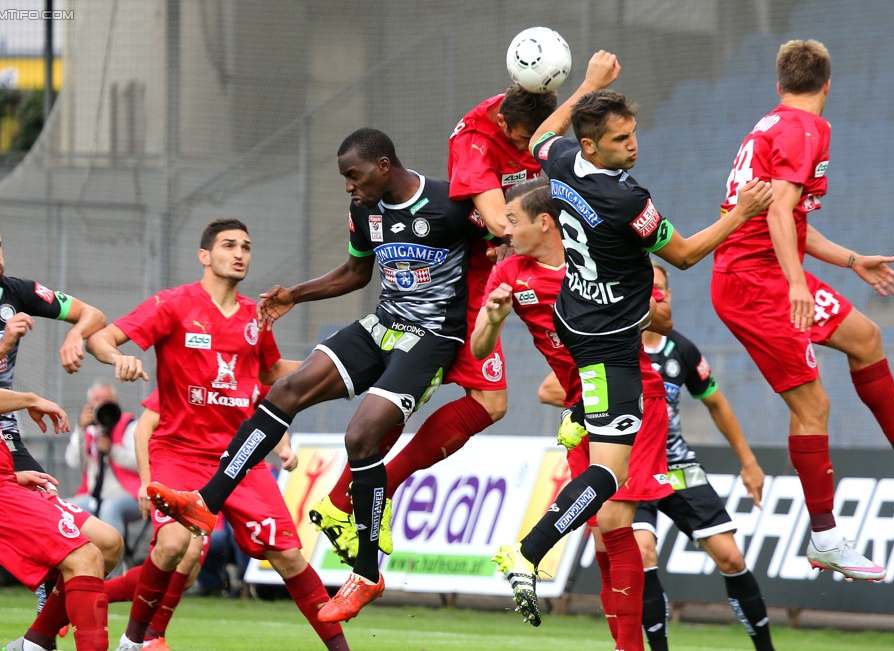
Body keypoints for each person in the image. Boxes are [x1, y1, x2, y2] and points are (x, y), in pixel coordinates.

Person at [147, 128, 491, 623]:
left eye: (354, 176)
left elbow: (502, 235)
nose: (349, 186)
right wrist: (297, 294)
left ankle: (366, 574)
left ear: (383, 166)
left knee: (362, 435)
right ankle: (207, 501)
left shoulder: (449, 202)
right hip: (383, 323)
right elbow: (356, 273)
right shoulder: (364, 212)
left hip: (434, 337)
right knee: (285, 390)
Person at [490, 49, 774, 626]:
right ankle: (528, 551)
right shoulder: (626, 200)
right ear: (593, 146)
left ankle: (582, 413)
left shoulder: (564, 162)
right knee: (609, 475)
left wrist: (588, 86)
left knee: (603, 446)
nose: (633, 145)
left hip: (576, 316)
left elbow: (543, 135)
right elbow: (689, 255)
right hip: (610, 341)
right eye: (620, 139)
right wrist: (742, 212)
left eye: (633, 133)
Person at [308, 57, 619, 565]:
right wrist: (585, 89)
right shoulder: (474, 134)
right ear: (502, 121)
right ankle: (359, 494)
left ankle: (351, 498)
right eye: (520, 139)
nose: (525, 149)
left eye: (532, 140)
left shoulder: (534, 132)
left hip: (521, 266)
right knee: (488, 402)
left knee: (472, 398)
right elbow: (497, 220)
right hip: (478, 285)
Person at [86, 218, 346, 651]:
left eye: (246, 246)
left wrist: (338, 364)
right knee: (173, 545)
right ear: (205, 256)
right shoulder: (172, 304)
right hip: (179, 454)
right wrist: (117, 358)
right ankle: (135, 642)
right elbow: (103, 338)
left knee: (289, 556)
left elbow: (270, 375)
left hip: (240, 459)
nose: (240, 253)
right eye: (229, 245)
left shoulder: (255, 317)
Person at [712, 39, 894, 581]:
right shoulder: (807, 130)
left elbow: (787, 218)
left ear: (780, 85)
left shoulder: (772, 124)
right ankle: (825, 537)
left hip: (764, 274)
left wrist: (849, 261)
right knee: (813, 404)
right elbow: (778, 212)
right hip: (756, 284)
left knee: (866, 336)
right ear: (827, 84)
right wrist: (797, 283)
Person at [472, 176, 672, 649]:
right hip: (580, 407)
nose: (506, 230)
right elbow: (480, 347)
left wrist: (620, 291)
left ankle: (529, 551)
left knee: (616, 520)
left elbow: (662, 318)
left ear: (545, 224)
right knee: (606, 533)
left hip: (632, 394)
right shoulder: (508, 273)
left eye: (514, 221)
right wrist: (496, 318)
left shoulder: (596, 258)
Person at [0, 265, 114, 651]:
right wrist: (31, 398)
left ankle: (34, 644)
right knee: (84, 557)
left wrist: (12, 475)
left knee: (109, 543)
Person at [629, 262, 774, 651]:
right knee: (643, 552)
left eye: (659, 288)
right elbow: (550, 390)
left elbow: (718, 405)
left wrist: (749, 463)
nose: (653, 295)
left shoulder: (683, 350)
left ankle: (766, 647)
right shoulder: (615, 343)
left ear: (669, 295)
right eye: (645, 287)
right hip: (631, 470)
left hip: (677, 466)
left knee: (729, 557)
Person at [0, 206, 107, 475]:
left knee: (49, 501)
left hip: (3, 435)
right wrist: (1, 348)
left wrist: (75, 335)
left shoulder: (16, 291)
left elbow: (94, 315)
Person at [65, 378, 143, 557]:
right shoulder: (88, 428)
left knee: (110, 507)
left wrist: (112, 450)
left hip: (130, 495)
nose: (101, 403)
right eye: (96, 399)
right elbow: (73, 461)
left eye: (105, 399)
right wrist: (79, 429)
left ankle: (111, 576)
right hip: (94, 495)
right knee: (65, 509)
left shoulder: (130, 425)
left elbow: (140, 462)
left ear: (115, 402)